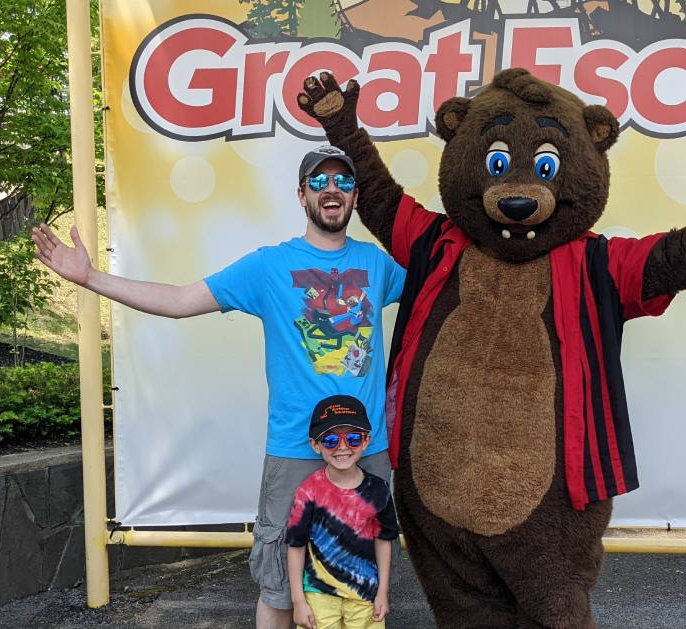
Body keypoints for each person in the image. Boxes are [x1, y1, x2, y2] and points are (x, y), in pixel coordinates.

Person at [30, 145, 405, 629]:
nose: (330, 190)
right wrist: (90, 277)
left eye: (343, 182)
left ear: (355, 197)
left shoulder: (377, 266)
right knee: (279, 585)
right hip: (295, 448)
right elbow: (180, 300)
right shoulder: (270, 266)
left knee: (361, 585)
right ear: (301, 194)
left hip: (366, 447)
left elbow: (443, 279)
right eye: (318, 181)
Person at [285, 395, 398, 629]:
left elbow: (384, 541)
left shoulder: (379, 490)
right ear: (315, 445)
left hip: (366, 596)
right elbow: (295, 546)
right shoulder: (308, 492)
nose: (343, 447)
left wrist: (383, 592)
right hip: (319, 597)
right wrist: (298, 601)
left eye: (354, 438)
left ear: (366, 441)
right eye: (331, 440)